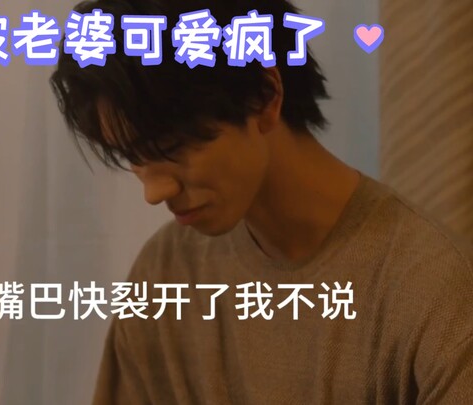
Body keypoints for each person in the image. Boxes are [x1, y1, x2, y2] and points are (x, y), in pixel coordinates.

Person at [49, 0, 473, 403]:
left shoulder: (433, 291)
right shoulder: (165, 277)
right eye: (133, 157)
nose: (154, 192)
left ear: (264, 96)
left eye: (171, 147)